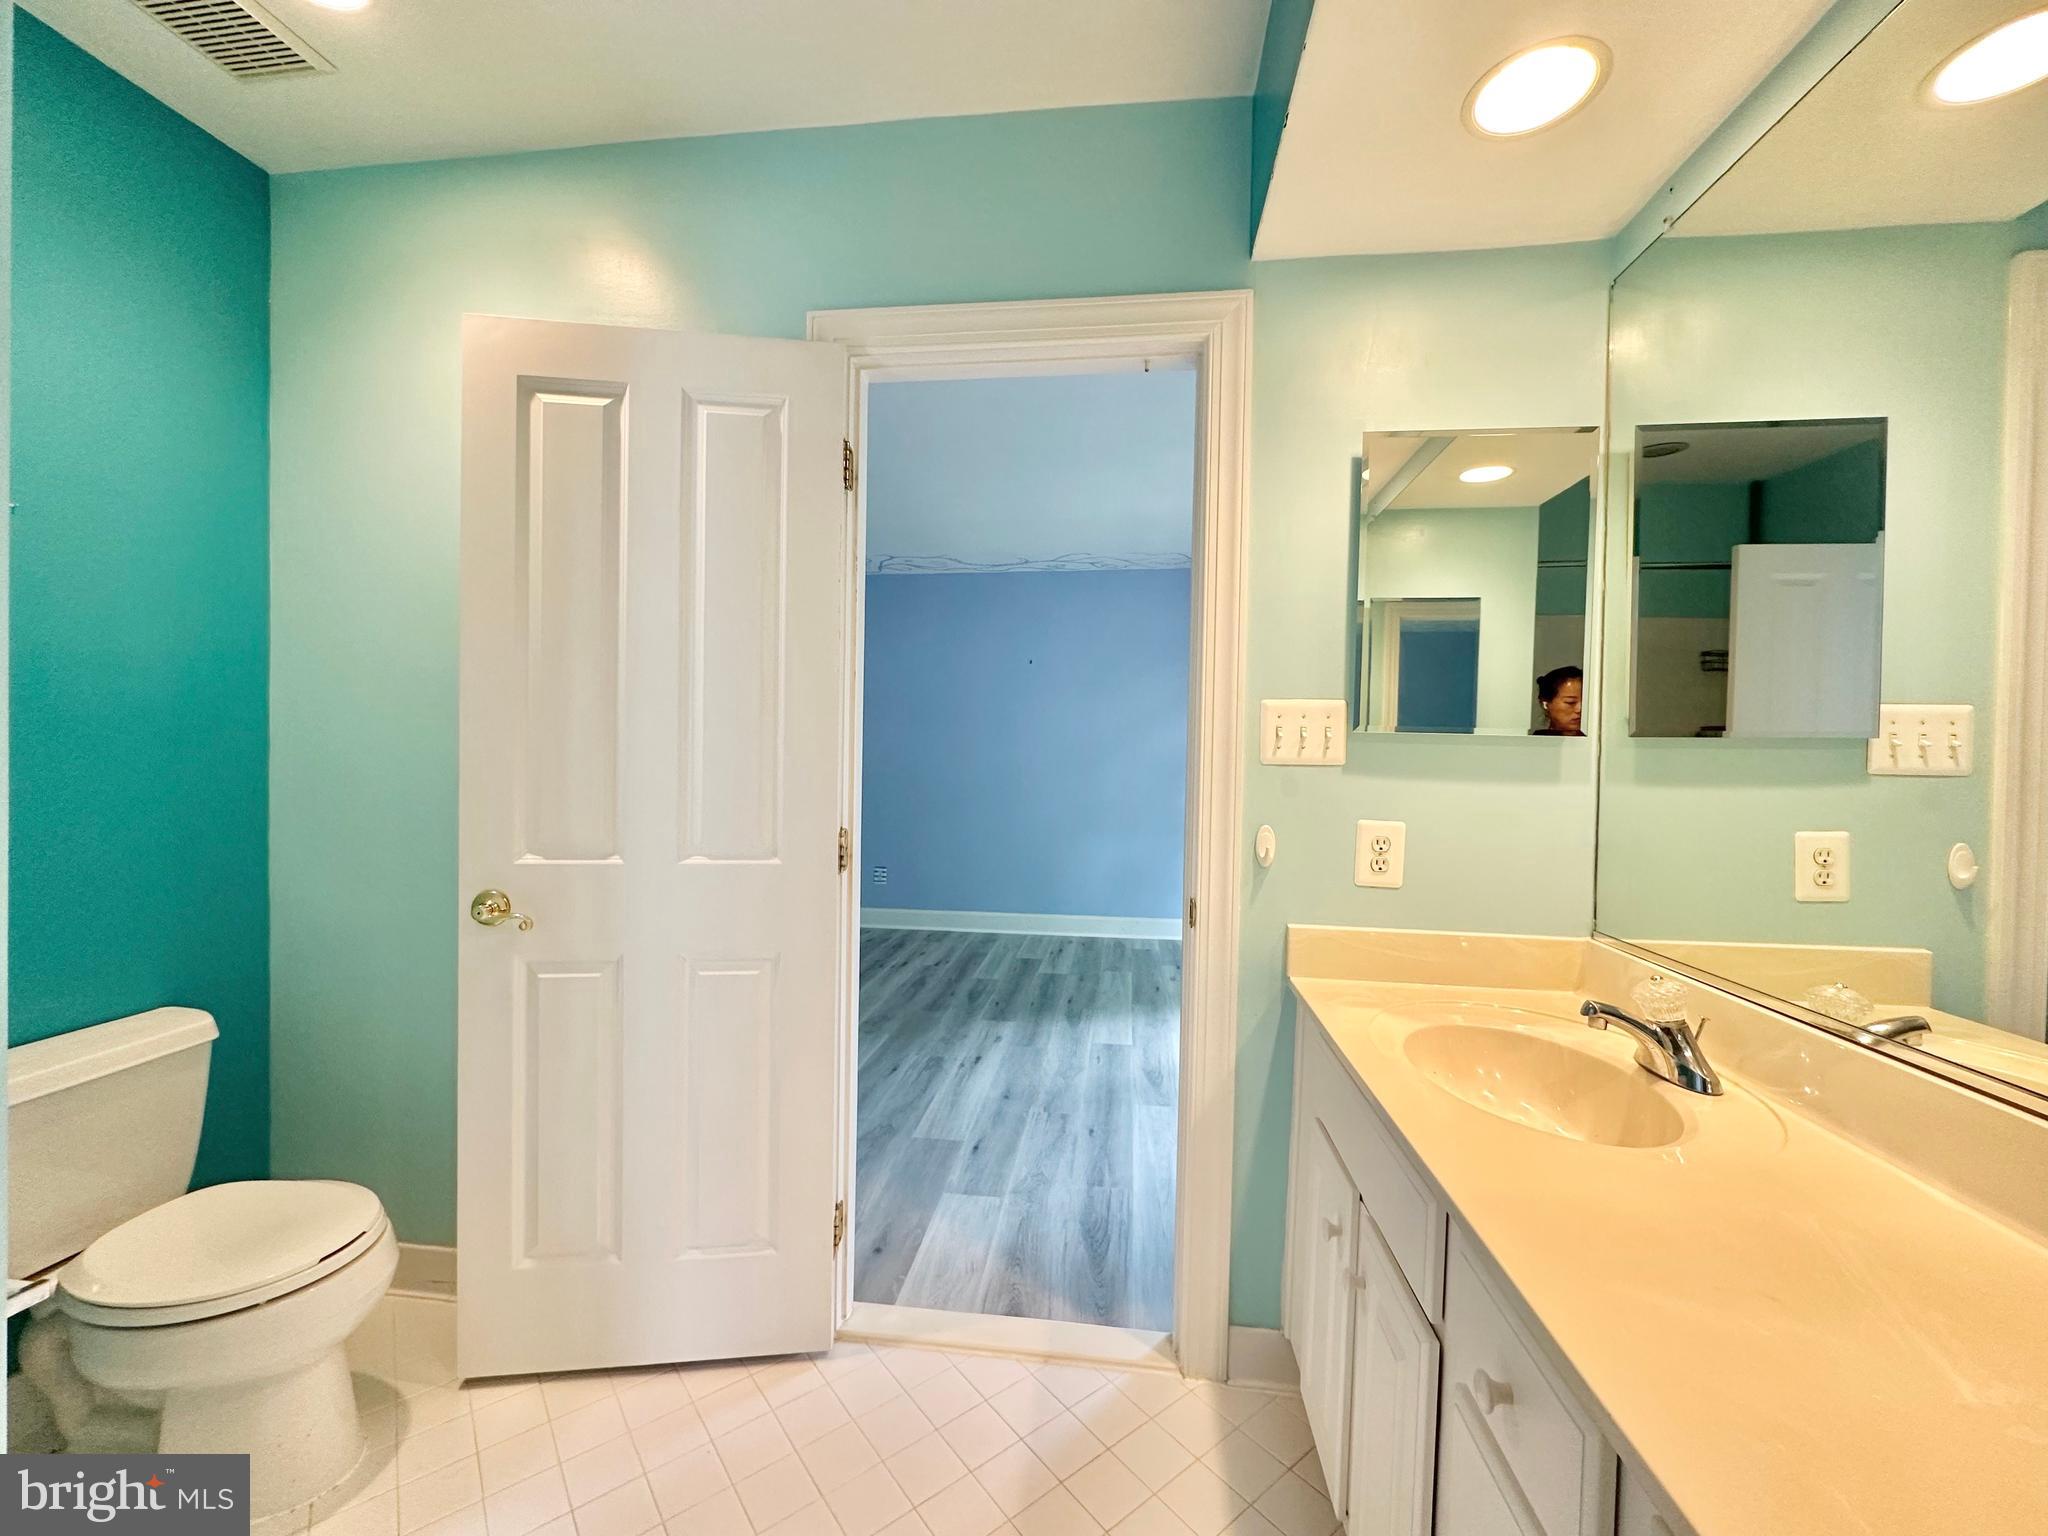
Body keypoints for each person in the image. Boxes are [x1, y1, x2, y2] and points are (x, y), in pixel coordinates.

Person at [1533, 665, 1583, 736]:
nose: (1580, 709)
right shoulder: (1534, 744)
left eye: (1586, 703)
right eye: (1570, 702)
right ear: (1545, 703)